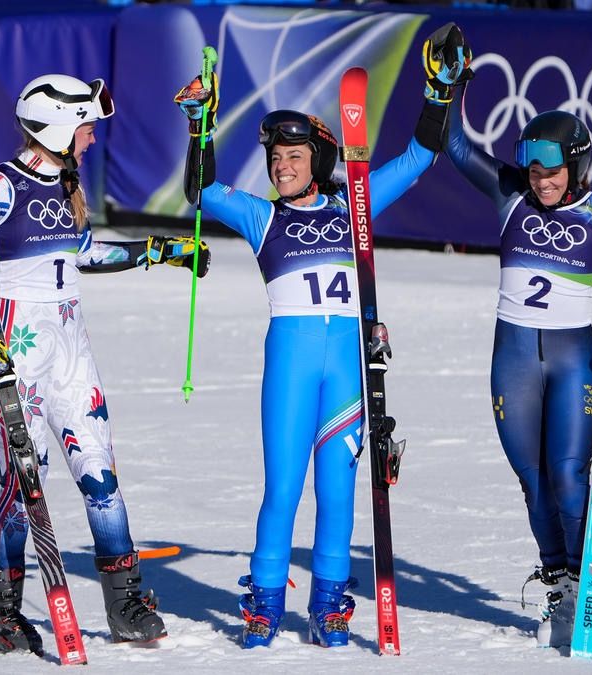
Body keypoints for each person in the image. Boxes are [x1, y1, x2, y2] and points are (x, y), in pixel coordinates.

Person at [172, 38, 449, 648]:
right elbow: (203, 192)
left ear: (318, 158)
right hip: (291, 366)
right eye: (275, 157)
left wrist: (440, 93)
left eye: (293, 156)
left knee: (337, 493)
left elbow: (419, 157)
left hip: (346, 370)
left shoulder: (355, 204)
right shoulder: (263, 217)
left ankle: (328, 606)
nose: (281, 167)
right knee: (282, 490)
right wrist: (200, 127)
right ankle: (265, 603)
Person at [0, 73, 210, 655]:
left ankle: (126, 603)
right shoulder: (1, 186)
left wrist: (160, 251)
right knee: (23, 483)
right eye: (86, 126)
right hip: (16, 350)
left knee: (100, 474)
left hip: (71, 347)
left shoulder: (66, 185)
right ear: (59, 126)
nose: (92, 137)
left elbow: (85, 254)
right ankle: (4, 611)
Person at [420, 26, 592, 647]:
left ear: (576, 166)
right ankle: (560, 585)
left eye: (552, 171)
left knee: (569, 474)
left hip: (572, 358)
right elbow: (455, 145)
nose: (541, 180)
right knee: (532, 481)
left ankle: (590, 583)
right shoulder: (512, 197)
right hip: (513, 362)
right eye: (533, 169)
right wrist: (453, 85)